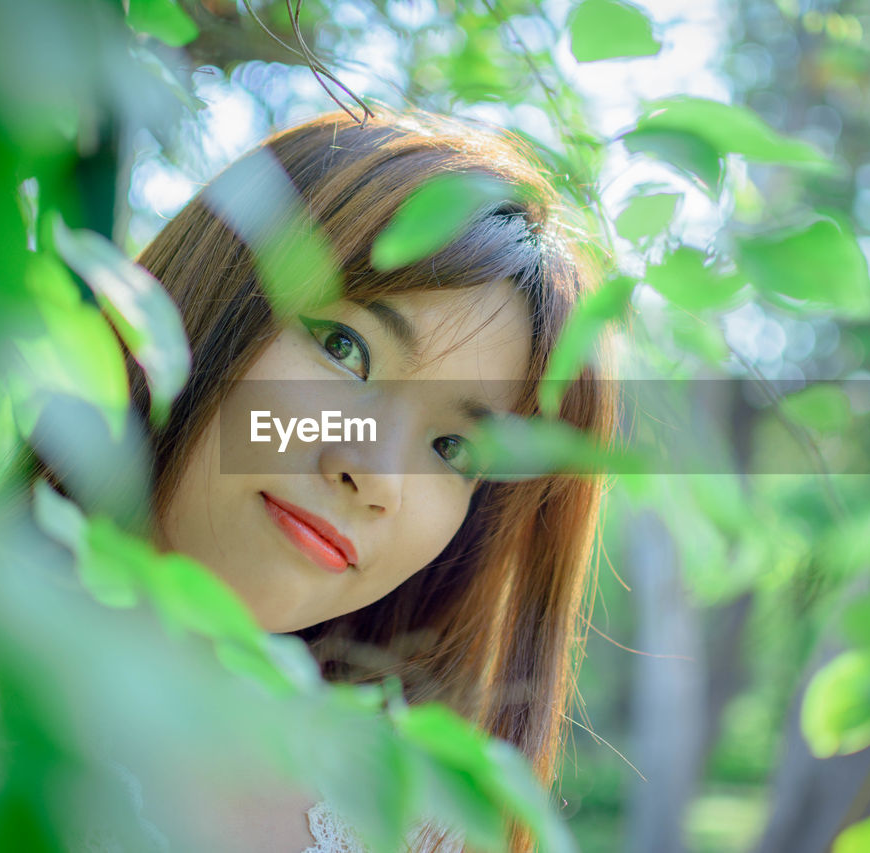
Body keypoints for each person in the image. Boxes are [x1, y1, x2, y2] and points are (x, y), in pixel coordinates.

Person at [112, 109, 617, 852]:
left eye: (453, 447)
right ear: (208, 294)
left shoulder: (418, 826)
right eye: (345, 348)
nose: (375, 473)